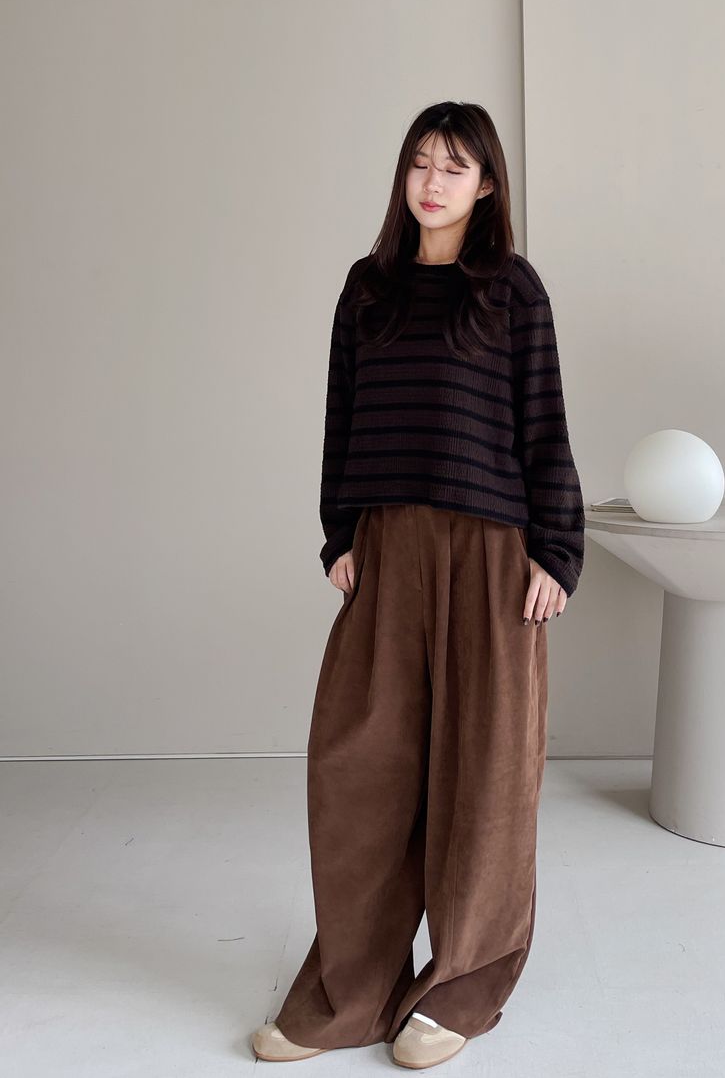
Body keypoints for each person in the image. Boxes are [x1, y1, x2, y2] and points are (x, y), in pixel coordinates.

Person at [252, 101, 585, 1068]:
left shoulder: (512, 291)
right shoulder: (368, 289)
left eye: (455, 167)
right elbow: (342, 418)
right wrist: (339, 533)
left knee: (486, 775)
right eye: (420, 163)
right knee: (362, 766)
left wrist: (556, 552)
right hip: (388, 545)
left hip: (491, 551)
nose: (433, 182)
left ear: (487, 185)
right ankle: (352, 988)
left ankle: (461, 985)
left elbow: (544, 426)